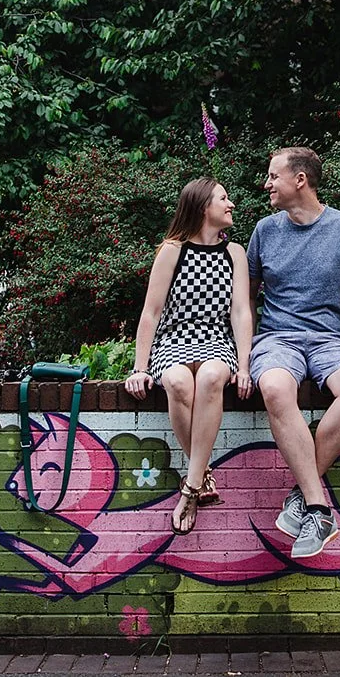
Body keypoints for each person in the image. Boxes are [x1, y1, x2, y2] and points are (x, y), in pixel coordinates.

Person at [248, 146, 340, 559]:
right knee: (275, 388)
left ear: (300, 180)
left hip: (331, 340)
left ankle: (302, 496)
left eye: (273, 175)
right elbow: (246, 303)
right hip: (278, 339)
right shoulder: (264, 230)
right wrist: (243, 361)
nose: (266, 184)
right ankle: (318, 506)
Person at [125, 177, 254, 536]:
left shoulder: (234, 254)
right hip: (173, 340)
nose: (231, 205)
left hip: (216, 340)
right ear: (202, 208)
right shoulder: (172, 250)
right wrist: (139, 367)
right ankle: (203, 475)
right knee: (179, 383)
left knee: (213, 378)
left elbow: (241, 313)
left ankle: (191, 487)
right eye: (224, 199)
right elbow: (151, 312)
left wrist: (244, 366)